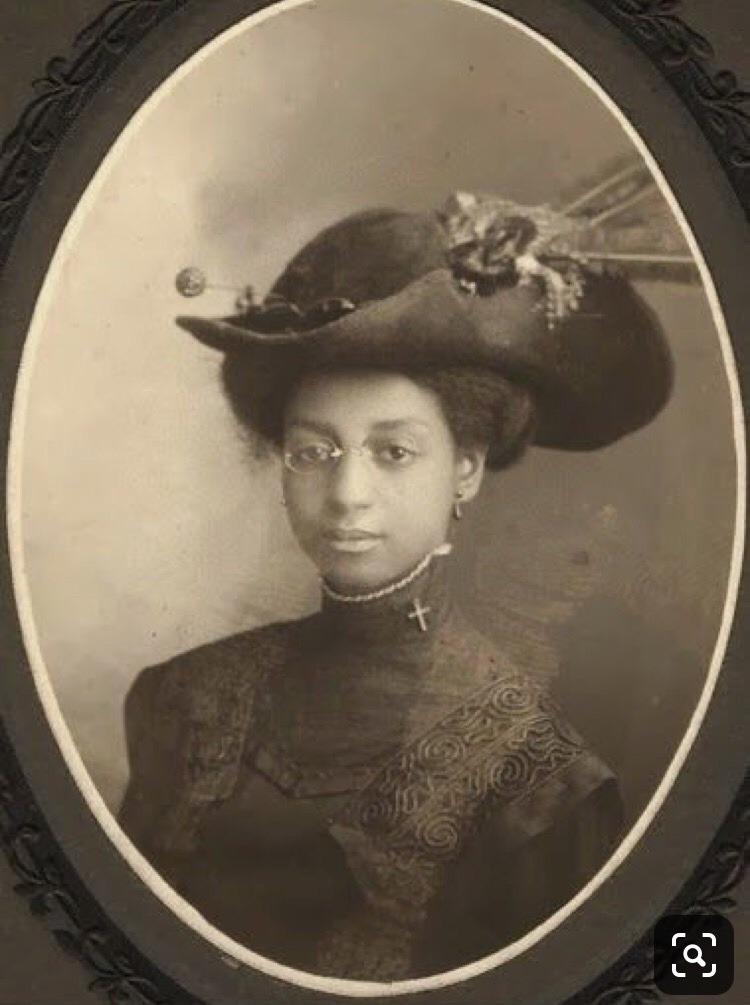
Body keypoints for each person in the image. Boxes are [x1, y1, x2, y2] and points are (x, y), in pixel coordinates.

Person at [118, 190, 674, 980]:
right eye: (314, 452)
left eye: (395, 452)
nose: (347, 496)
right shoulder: (181, 699)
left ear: (468, 467)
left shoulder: (542, 786)